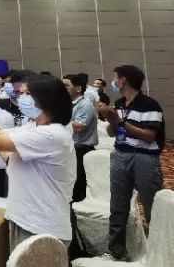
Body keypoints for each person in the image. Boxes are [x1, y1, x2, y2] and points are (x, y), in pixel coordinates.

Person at [0, 73, 75, 251]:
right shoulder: (32, 127)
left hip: (41, 225)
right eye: (20, 93)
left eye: (27, 93)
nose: (21, 98)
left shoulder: (53, 134)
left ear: (47, 98)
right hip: (24, 217)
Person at [96, 64, 165, 260]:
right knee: (118, 206)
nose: (114, 82)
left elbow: (149, 136)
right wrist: (110, 118)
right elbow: (112, 133)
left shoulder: (149, 105)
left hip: (144, 157)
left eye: (115, 78)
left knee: (152, 206)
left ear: (123, 81)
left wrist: (120, 121)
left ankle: (160, 251)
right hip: (120, 155)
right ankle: (116, 250)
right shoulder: (119, 103)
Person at [63, 73, 98, 202]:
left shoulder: (85, 104)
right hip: (70, 147)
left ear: (78, 88)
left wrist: (59, 118)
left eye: (66, 85)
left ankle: (75, 208)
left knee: (77, 185)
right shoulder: (68, 103)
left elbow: (79, 127)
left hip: (81, 149)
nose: (63, 88)